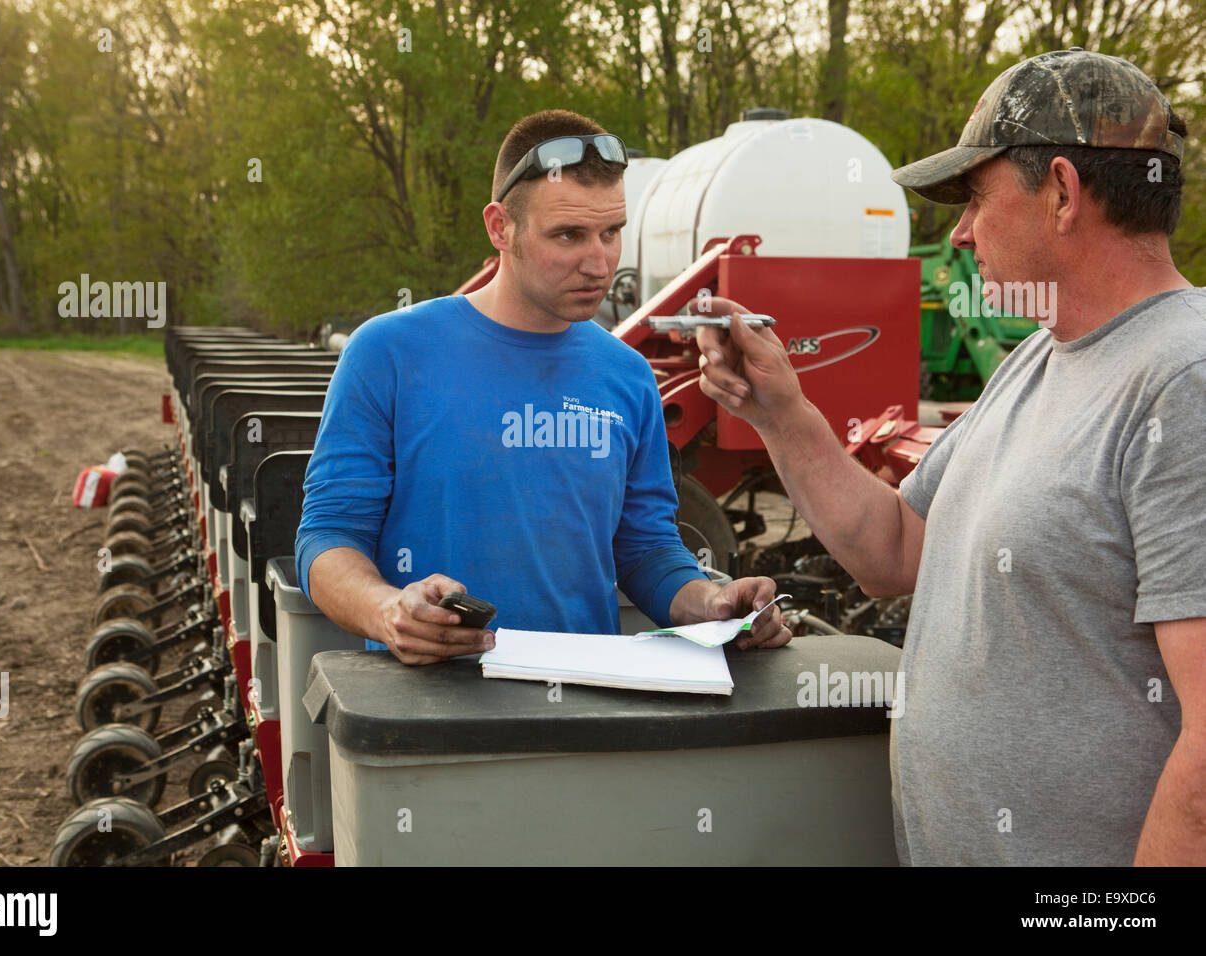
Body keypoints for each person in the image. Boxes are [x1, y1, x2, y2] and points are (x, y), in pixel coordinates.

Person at [693, 49, 1205, 865]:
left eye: (974, 199)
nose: (959, 234)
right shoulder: (1039, 358)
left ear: (1063, 194)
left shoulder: (1185, 382)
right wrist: (781, 415)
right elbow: (894, 552)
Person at [295, 109, 792, 666]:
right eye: (568, 236)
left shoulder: (627, 377)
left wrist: (714, 604)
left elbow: (646, 551)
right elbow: (327, 539)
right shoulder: (388, 353)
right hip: (425, 718)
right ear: (499, 226)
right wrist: (387, 609)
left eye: (612, 232)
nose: (599, 263)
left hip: (583, 711)